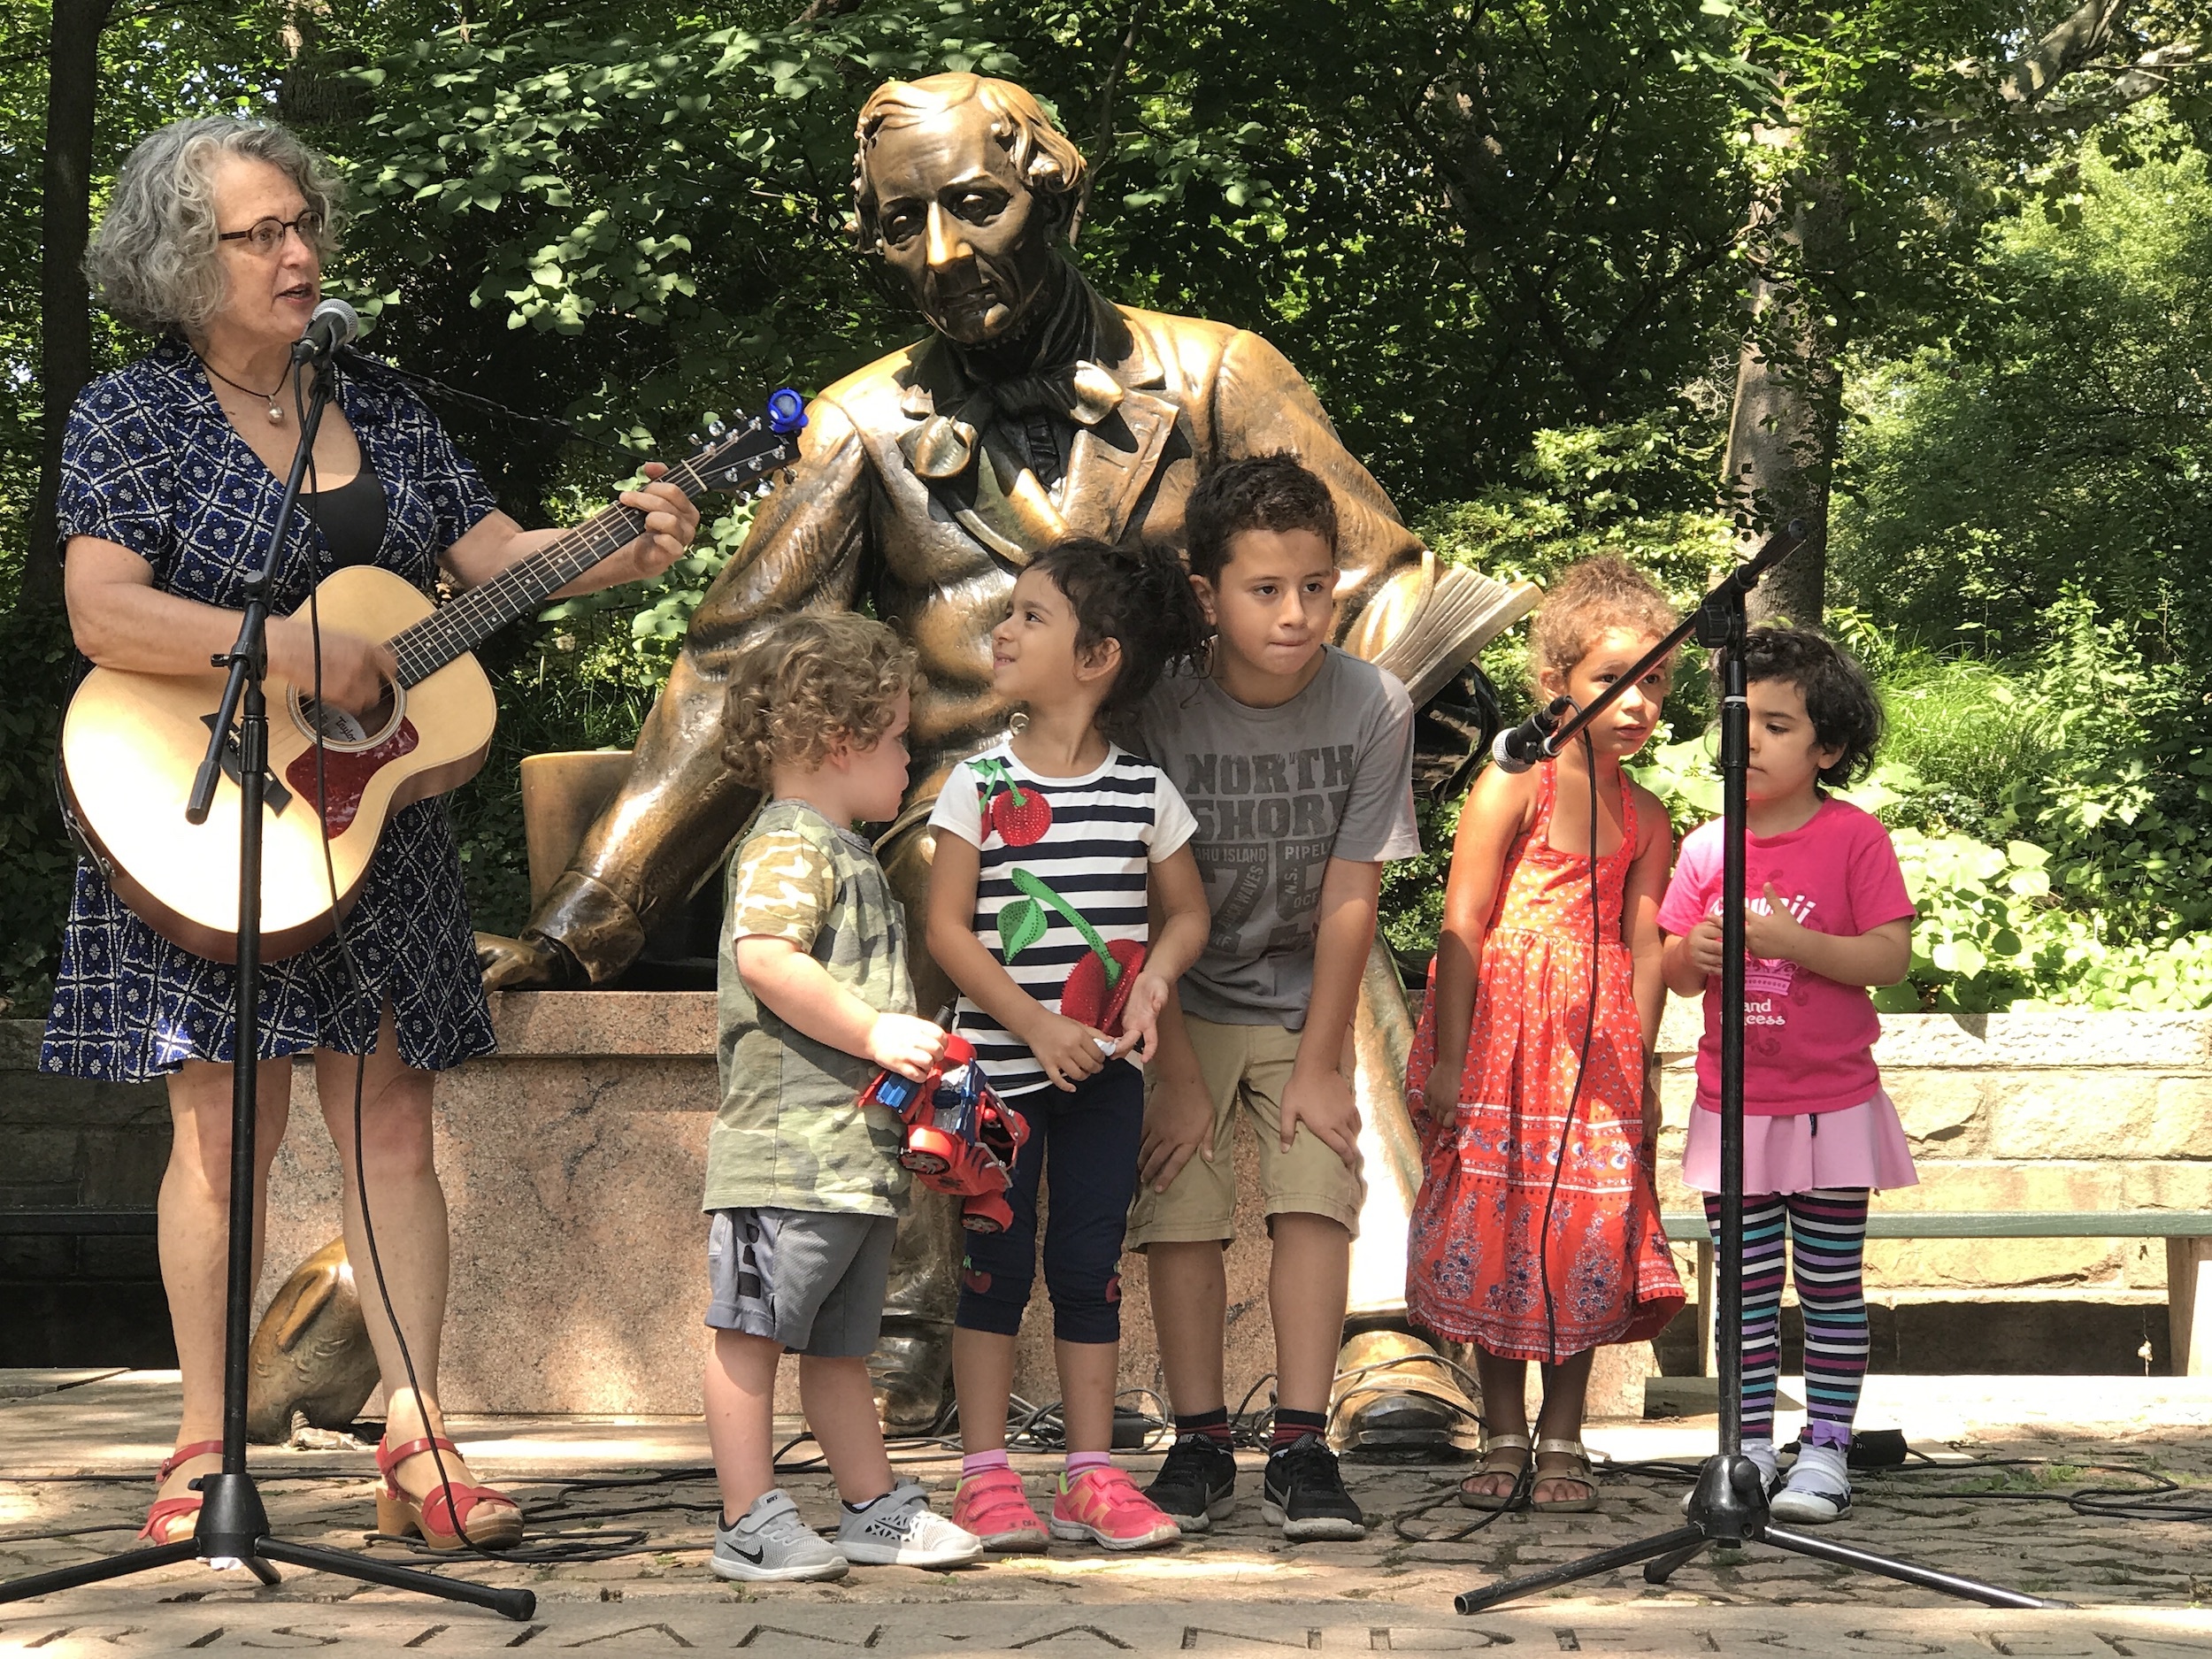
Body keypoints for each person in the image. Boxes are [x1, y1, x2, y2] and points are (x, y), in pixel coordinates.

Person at [475, 72, 1517, 1438]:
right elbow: (738, 664)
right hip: (975, 810)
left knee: (1323, 899)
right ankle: (913, 1308)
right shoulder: (860, 426)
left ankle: (1388, 1333)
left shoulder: (1217, 375)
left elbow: (1367, 580)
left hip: (1194, 793)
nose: (944, 255)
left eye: (977, 204)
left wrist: (1409, 695)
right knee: (940, 894)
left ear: (1058, 193)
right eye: (904, 225)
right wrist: (584, 921)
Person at [43, 116, 702, 1549]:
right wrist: (279, 647)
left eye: (302, 226)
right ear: (180, 259)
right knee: (227, 1132)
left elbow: (492, 558)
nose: (297, 253)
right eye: (259, 233)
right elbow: (100, 611)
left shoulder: (381, 404)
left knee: (391, 1125)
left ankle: (419, 1439)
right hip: (206, 805)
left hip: (376, 822)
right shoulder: (132, 415)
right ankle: (203, 1447)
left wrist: (614, 546)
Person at [1122, 455, 1417, 1543]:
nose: (1296, 615)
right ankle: (1198, 1440)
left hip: (1304, 993)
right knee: (1179, 1209)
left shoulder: (1372, 701)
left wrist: (1326, 1063)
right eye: (1264, 591)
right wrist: (1176, 1076)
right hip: (1178, 998)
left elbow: (1351, 893)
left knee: (1315, 1190)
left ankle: (1301, 1443)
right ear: (1207, 595)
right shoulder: (1159, 707)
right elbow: (1141, 897)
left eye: (1316, 586)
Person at [922, 538, 1211, 1554]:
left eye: (1031, 616)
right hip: (998, 1077)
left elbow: (1186, 915)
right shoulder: (979, 784)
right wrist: (1036, 1025)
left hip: (1105, 1080)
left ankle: (1091, 1476)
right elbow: (947, 930)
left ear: (1097, 658)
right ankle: (984, 1477)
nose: (1003, 629)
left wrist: (1158, 982)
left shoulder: (1143, 791)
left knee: (1090, 1269)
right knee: (993, 1268)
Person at [703, 613, 983, 1581]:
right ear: (841, 740)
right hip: (787, 1153)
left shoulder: (840, 847)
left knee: (838, 1347)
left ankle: (872, 1508)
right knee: (750, 1333)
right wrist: (874, 1032)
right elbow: (766, 957)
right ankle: (748, 1518)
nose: (912, 757)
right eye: (901, 737)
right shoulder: (790, 845)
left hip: (846, 1158)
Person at [1404, 557, 1686, 1515]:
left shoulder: (1648, 816)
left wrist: (1638, 1063)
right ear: (1556, 681)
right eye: (1616, 678)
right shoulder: (1512, 785)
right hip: (1501, 1036)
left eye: (1657, 681)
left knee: (1582, 1232)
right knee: (1503, 1227)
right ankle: (1501, 1428)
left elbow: (1644, 949)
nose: (1639, 701)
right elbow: (1463, 921)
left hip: (1593, 1045)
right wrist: (1447, 1057)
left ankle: (1564, 1434)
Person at [1657, 626, 1917, 1525]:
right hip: (1735, 1111)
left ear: (1828, 748)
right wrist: (1688, 950)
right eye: (1740, 724)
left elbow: (1888, 956)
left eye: (1776, 725)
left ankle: (1829, 1451)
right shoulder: (1704, 849)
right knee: (1744, 1287)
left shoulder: (1852, 839)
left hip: (1831, 1105)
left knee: (1832, 1282)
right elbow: (1675, 970)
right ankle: (1749, 1446)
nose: (1752, 744)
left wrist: (1788, 942)